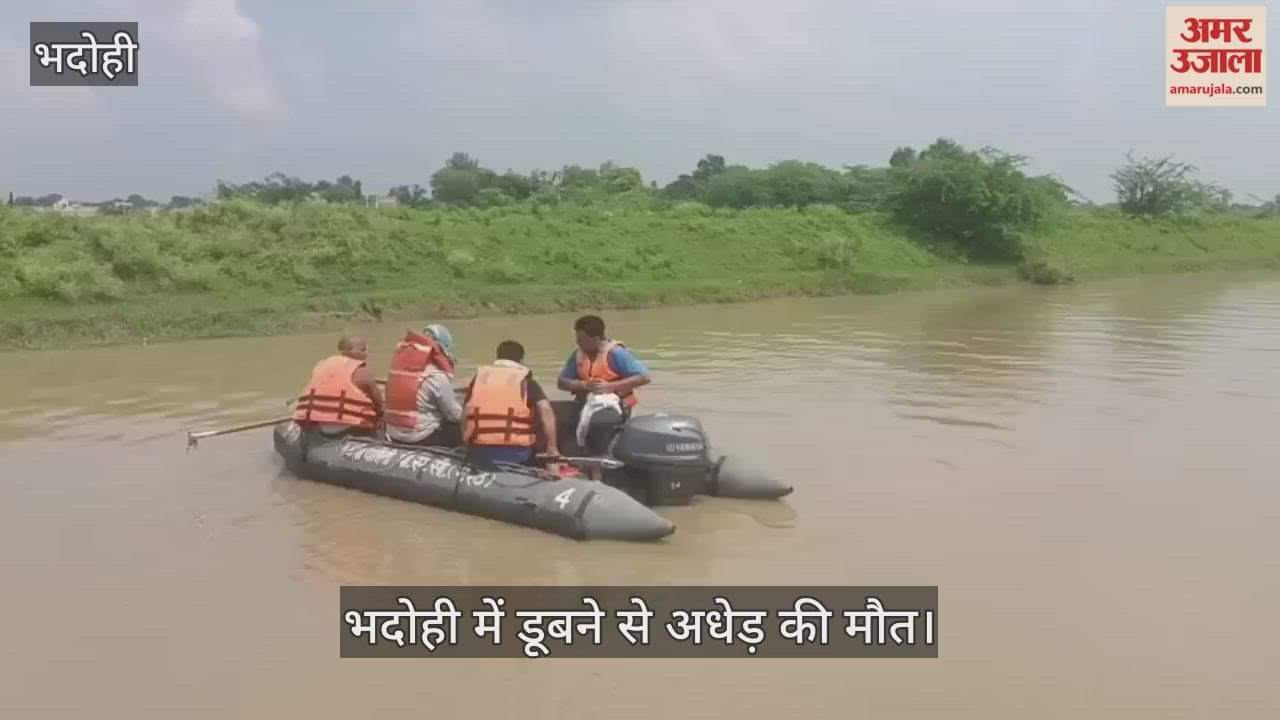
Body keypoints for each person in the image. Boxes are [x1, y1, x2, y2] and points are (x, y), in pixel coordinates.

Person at [557, 315, 650, 473]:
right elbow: (562, 382)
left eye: (582, 339)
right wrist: (584, 385)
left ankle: (601, 467)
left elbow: (644, 377)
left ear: (597, 338)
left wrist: (611, 386)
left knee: (599, 423)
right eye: (577, 339)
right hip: (585, 403)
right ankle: (569, 460)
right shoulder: (578, 355)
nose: (578, 343)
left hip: (615, 405)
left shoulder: (616, 354)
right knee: (554, 416)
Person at [463, 340, 561, 466]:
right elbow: (545, 410)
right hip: (517, 452)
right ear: (521, 360)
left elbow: (465, 413)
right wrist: (552, 447)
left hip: (480, 449)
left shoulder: (479, 379)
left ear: (497, 358)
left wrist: (465, 443)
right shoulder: (524, 380)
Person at [383, 324, 464, 447]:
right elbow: (454, 415)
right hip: (419, 437)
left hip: (393, 433)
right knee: (462, 426)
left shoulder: (397, 371)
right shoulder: (436, 376)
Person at [293, 336, 384, 437]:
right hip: (348, 425)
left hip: (315, 422)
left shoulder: (321, 366)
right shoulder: (362, 373)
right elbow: (378, 404)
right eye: (364, 349)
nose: (367, 353)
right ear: (357, 351)